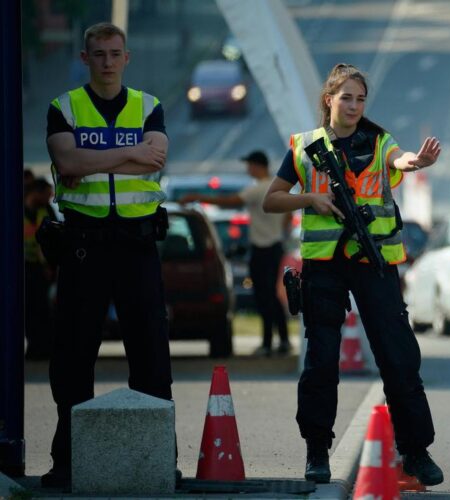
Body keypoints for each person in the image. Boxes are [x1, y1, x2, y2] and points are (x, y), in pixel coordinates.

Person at [262, 63, 444, 486]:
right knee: (322, 360)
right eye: (347, 97)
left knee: (398, 357)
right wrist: (313, 199)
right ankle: (317, 451)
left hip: (374, 261)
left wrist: (418, 161)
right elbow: (272, 200)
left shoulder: (380, 142)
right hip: (324, 265)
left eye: (360, 99)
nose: (355, 106)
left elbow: (402, 159)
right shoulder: (305, 146)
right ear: (329, 100)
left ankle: (415, 452)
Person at [42, 22, 173, 488]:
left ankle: (159, 456)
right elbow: (68, 164)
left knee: (151, 352)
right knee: (74, 354)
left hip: (137, 244)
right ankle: (68, 459)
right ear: (85, 58)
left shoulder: (148, 105)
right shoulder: (65, 107)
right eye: (98, 54)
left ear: (127, 57)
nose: (107, 61)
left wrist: (93, 159)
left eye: (115, 53)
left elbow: (154, 158)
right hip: (84, 246)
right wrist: (130, 152)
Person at [178, 151, 292, 356]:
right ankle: (282, 340)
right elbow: (289, 216)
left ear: (258, 166)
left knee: (263, 296)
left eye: (249, 165)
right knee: (272, 296)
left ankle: (267, 343)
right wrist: (279, 233)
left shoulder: (258, 189)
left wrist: (197, 197)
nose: (248, 169)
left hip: (262, 249)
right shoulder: (278, 187)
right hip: (275, 246)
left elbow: (230, 202)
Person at [23, 178, 56, 360]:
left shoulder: (46, 210)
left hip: (41, 269)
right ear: (36, 192)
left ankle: (42, 347)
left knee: (43, 310)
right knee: (28, 311)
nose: (49, 199)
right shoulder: (14, 208)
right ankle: (34, 346)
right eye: (47, 195)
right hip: (22, 269)